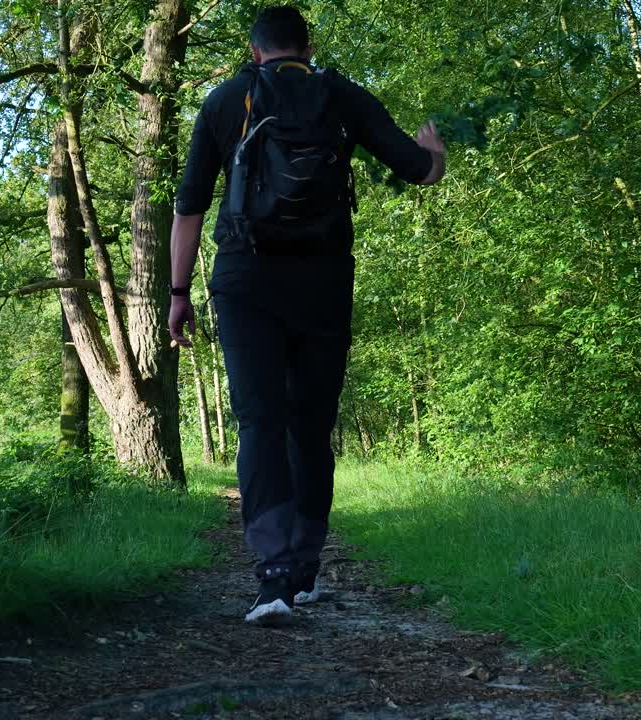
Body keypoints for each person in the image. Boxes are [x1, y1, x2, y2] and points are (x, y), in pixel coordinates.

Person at [168, 5, 446, 625]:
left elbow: (189, 208)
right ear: (307, 46)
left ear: (254, 49)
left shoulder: (225, 100)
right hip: (323, 279)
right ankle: (306, 567)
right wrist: (435, 152)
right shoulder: (339, 94)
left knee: (259, 421)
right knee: (310, 426)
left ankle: (271, 579)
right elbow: (420, 170)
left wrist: (178, 292)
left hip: (245, 280)